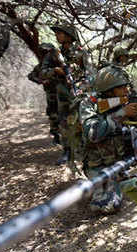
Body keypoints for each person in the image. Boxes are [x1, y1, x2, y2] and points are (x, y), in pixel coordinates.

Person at [78, 65, 137, 214]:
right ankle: (99, 185)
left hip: (121, 159)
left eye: (127, 87)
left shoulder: (125, 101)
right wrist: (121, 113)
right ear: (109, 89)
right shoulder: (89, 104)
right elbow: (93, 133)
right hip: (99, 164)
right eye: (122, 87)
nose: (127, 91)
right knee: (108, 206)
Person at [46, 23, 96, 165]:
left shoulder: (82, 52)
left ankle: (87, 151)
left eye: (59, 33)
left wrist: (81, 86)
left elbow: (91, 75)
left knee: (82, 121)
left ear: (68, 35)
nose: (56, 36)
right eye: (56, 33)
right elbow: (42, 73)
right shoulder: (53, 54)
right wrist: (55, 71)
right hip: (62, 95)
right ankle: (67, 152)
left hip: (79, 93)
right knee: (64, 123)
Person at [27, 43, 60, 145]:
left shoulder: (59, 64)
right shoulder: (41, 67)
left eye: (47, 52)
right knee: (53, 114)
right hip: (51, 94)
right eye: (44, 52)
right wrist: (41, 81)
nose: (46, 55)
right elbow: (31, 76)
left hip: (62, 92)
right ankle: (56, 136)